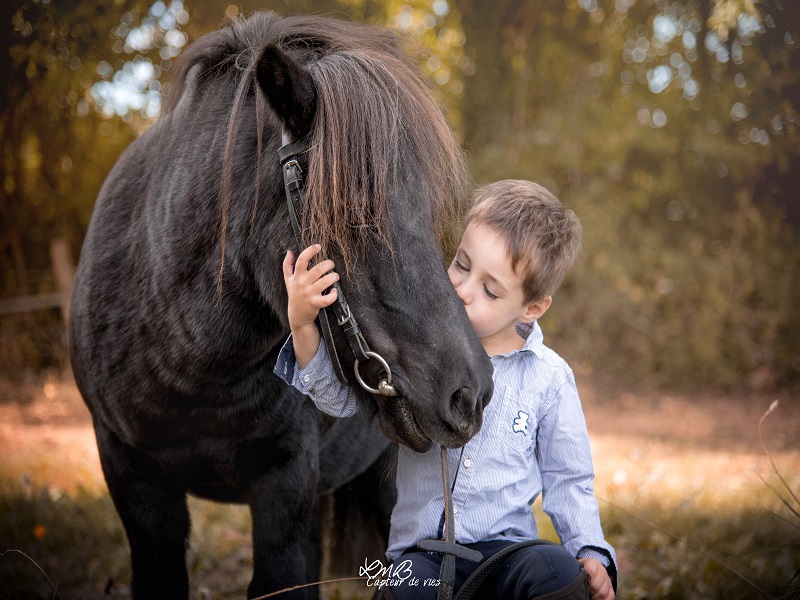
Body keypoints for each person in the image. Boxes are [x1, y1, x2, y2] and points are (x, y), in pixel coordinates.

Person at [275, 180, 617, 600]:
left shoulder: (549, 378)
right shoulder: (416, 350)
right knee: (402, 591)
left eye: (490, 291)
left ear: (531, 308)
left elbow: (569, 480)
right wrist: (302, 324)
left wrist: (590, 551)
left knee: (557, 572)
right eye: (461, 265)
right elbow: (339, 400)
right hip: (424, 557)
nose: (463, 291)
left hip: (506, 554)